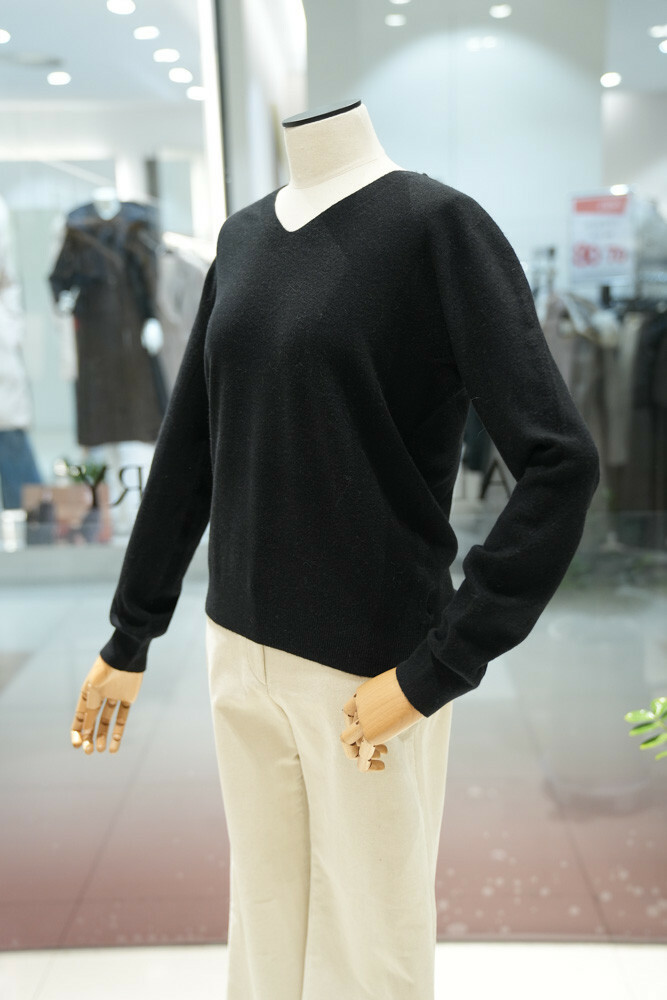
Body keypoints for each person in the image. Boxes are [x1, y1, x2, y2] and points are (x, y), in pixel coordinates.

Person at [70, 99, 600, 1000]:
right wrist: (131, 633)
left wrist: (441, 665)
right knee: (265, 936)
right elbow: (192, 448)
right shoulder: (243, 239)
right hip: (237, 651)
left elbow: (559, 463)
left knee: (369, 953)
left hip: (368, 669)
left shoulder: (437, 229)